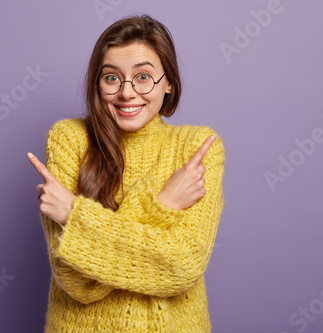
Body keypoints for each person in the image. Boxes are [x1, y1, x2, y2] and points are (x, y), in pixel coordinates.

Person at [27, 13, 225, 333]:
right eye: (112, 78)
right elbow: (75, 281)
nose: (127, 93)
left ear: (169, 83)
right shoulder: (70, 138)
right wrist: (163, 203)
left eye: (144, 77)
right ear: (97, 83)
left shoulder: (197, 147)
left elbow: (182, 266)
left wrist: (74, 215)